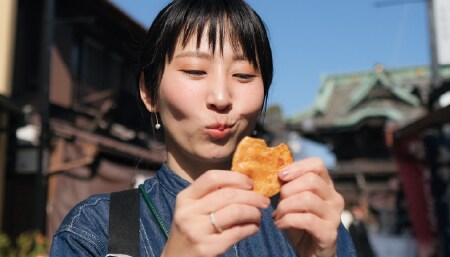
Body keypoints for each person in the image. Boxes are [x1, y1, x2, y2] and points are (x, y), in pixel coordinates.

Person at [50, 0, 356, 256]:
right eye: (195, 71)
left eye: (244, 75)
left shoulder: (306, 221)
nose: (221, 98)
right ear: (149, 92)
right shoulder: (93, 230)